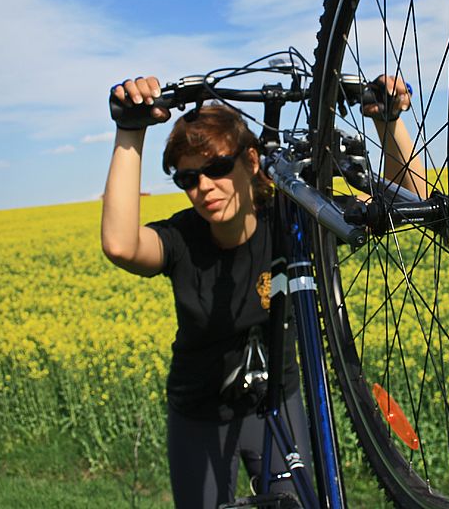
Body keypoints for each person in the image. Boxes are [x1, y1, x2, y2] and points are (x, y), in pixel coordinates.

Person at [100, 73, 422, 508]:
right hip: (199, 412)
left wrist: (389, 122)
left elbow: (409, 201)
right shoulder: (182, 238)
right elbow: (121, 245)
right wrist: (129, 130)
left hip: (279, 395)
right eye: (187, 179)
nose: (204, 188)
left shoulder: (291, 216)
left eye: (216, 168)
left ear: (251, 162)